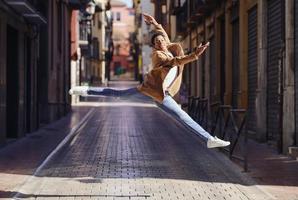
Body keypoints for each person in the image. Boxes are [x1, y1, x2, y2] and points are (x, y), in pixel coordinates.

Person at [69, 13, 230, 149]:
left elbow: (163, 34)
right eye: (156, 42)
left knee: (181, 117)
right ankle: (84, 90)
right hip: (149, 91)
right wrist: (194, 55)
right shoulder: (159, 55)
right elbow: (175, 62)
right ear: (154, 46)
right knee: (118, 94)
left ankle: (209, 140)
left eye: (161, 41)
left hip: (160, 94)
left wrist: (154, 23)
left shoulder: (167, 48)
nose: (160, 43)